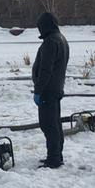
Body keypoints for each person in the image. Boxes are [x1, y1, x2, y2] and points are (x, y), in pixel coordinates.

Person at [31, 12, 70, 168]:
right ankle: (56, 154)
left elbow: (46, 70)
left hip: (48, 90)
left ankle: (54, 158)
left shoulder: (51, 42)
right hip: (56, 88)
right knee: (55, 123)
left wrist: (38, 91)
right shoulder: (60, 39)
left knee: (48, 124)